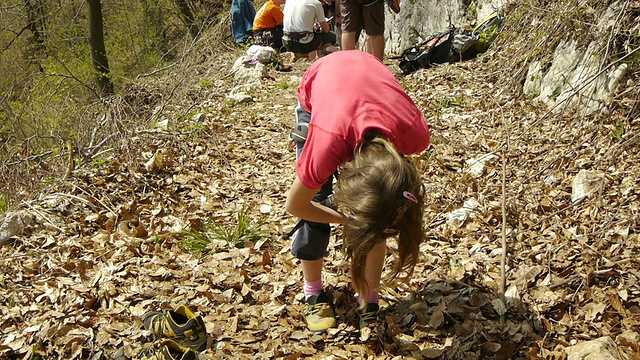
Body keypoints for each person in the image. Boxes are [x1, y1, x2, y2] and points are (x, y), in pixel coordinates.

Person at [285, 50, 431, 332]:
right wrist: (346, 219)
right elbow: (296, 205)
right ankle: (312, 292)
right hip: (323, 82)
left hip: (368, 74)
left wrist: (374, 220)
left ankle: (370, 299)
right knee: (316, 205)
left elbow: (382, 208)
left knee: (381, 214)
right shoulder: (327, 144)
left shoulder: (414, 136)